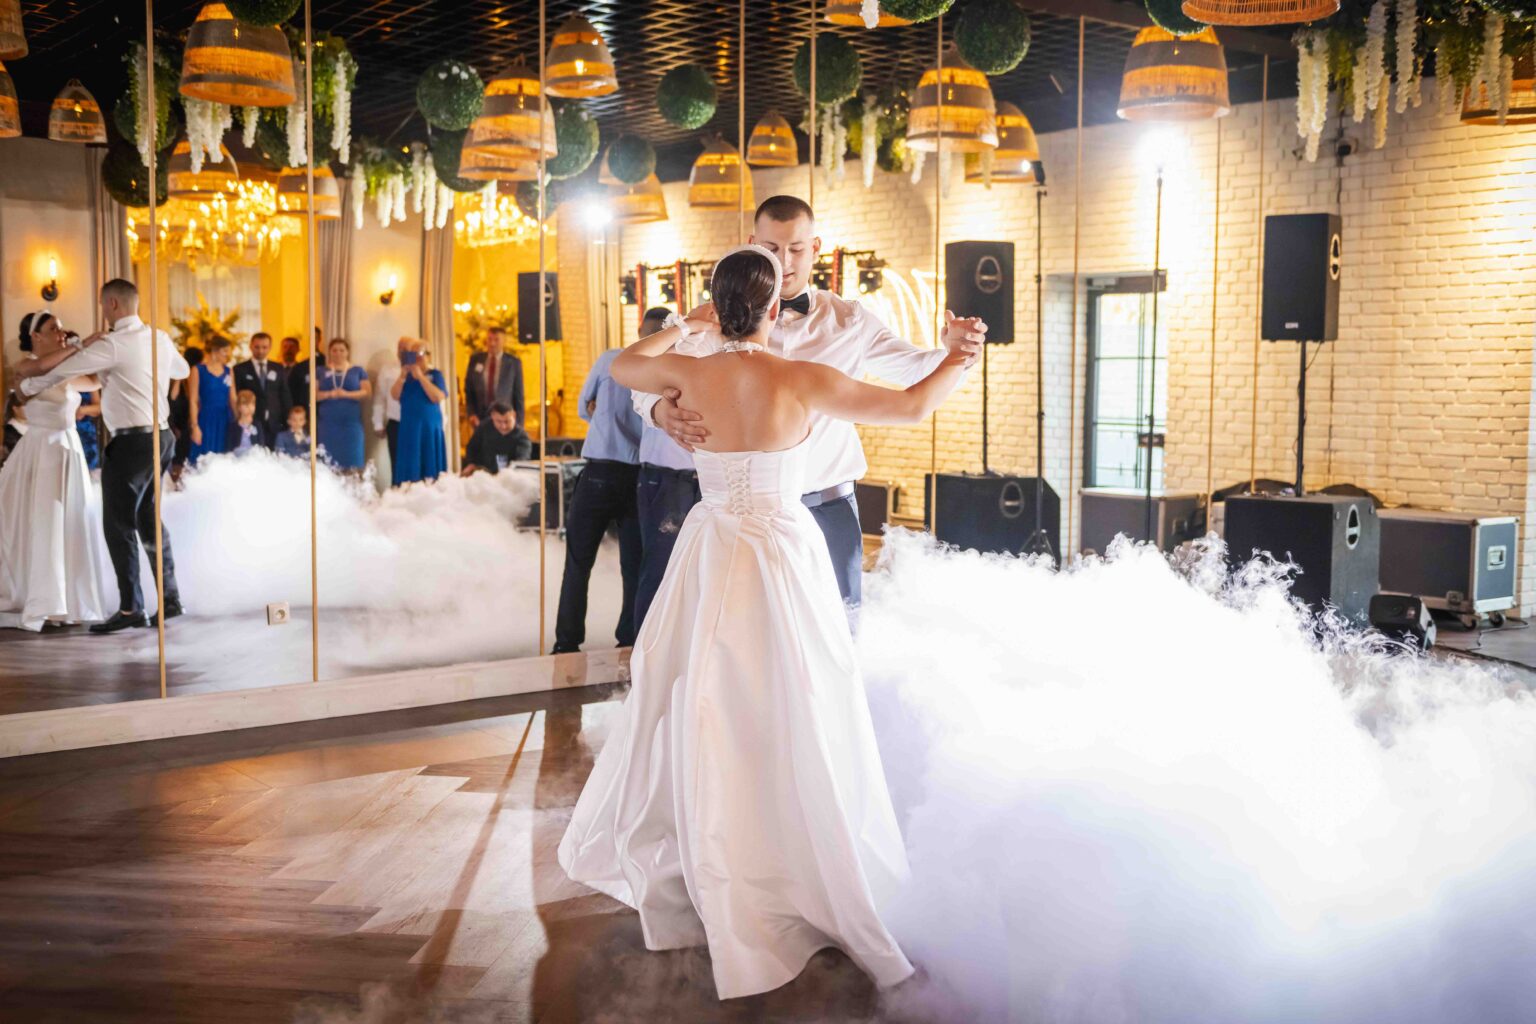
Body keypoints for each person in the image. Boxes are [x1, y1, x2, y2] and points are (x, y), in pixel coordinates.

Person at [558, 245, 970, 1000]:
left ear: (717, 306)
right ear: (775, 308)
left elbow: (623, 365)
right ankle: (799, 855)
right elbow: (914, 405)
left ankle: (717, 855)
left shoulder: (688, 372)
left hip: (713, 547)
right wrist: (958, 356)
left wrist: (685, 326)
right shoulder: (799, 377)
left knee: (706, 702)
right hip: (782, 551)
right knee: (799, 702)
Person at [634, 195, 985, 615]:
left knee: (839, 625)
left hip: (829, 505)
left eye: (796, 249)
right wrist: (660, 412)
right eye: (772, 248)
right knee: (747, 628)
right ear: (752, 244)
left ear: (815, 248)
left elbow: (915, 372)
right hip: (742, 515)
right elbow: (643, 383)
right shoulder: (713, 321)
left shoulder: (850, 320)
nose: (784, 262)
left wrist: (956, 354)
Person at [16, 278, 188, 633]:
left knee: (119, 526)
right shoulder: (158, 338)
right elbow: (181, 371)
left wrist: (29, 387)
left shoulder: (112, 344)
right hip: (162, 437)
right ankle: (170, 600)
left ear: (112, 305)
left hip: (132, 444)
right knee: (149, 520)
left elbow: (62, 372)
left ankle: (131, 609)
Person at [0, 311, 110, 630]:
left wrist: (101, 349)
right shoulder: (25, 367)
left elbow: (95, 381)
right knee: (45, 523)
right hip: (42, 452)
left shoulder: (65, 368)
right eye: (54, 329)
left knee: (69, 523)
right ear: (36, 336)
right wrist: (80, 345)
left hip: (68, 449)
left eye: (62, 329)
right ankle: (43, 601)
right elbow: (34, 373)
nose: (62, 334)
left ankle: (65, 601)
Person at [550, 341, 644, 654]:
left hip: (599, 471)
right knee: (633, 566)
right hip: (636, 474)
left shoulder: (610, 360)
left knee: (578, 562)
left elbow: (582, 407)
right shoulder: (663, 366)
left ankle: (567, 642)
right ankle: (628, 639)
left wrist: (603, 420)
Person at [630, 307, 700, 631]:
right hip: (664, 477)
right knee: (659, 567)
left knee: (697, 570)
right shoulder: (646, 368)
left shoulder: (695, 360)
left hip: (702, 479)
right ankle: (643, 652)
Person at [390, 343, 448, 486]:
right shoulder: (406, 377)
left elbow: (437, 397)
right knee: (411, 460)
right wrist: (402, 376)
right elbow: (395, 395)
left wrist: (421, 377)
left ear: (428, 356)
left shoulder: (435, 374)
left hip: (429, 426)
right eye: (413, 354)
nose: (417, 357)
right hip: (410, 426)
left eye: (420, 353)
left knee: (429, 458)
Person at [315, 337, 369, 472]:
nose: (338, 353)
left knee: (352, 463)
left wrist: (346, 394)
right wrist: (329, 394)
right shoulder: (320, 371)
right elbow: (313, 395)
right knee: (327, 463)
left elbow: (367, 392)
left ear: (347, 352)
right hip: (328, 425)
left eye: (341, 350)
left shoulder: (358, 371)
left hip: (350, 424)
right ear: (329, 352)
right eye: (334, 350)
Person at [233, 331, 292, 448]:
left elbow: (285, 395)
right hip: (251, 421)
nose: (260, 351)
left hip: (275, 422)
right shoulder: (239, 369)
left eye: (264, 347)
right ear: (251, 346)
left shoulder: (278, 368)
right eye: (257, 347)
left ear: (270, 347)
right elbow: (236, 396)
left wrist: (288, 419)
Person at [187, 335, 235, 465]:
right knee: (203, 456)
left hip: (225, 419)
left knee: (224, 457)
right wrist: (195, 426)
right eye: (225, 351)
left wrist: (238, 423)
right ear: (215, 350)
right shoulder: (198, 370)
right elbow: (193, 400)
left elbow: (233, 399)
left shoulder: (228, 371)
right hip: (205, 419)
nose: (228, 355)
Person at [464, 327, 524, 430]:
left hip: (504, 420)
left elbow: (518, 396)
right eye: (490, 339)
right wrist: (471, 413)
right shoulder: (475, 360)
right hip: (480, 419)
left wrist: (519, 425)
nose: (492, 343)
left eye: (496, 340)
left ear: (504, 341)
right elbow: (469, 390)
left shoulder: (513, 363)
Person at [461, 401, 531, 475]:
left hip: (510, 476)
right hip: (483, 474)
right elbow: (472, 448)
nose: (503, 426)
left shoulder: (522, 437)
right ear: (492, 416)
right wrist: (471, 463)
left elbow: (521, 461)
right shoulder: (484, 428)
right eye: (499, 421)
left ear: (514, 415)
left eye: (507, 421)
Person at [373, 336, 412, 468]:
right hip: (396, 423)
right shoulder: (387, 369)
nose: (402, 351)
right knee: (397, 465)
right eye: (400, 348)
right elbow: (379, 397)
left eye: (406, 348)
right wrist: (378, 423)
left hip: (417, 423)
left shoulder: (424, 369)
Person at [168, 346, 202, 484]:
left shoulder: (196, 379)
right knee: (179, 457)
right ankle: (177, 481)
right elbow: (173, 397)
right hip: (179, 423)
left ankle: (181, 481)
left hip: (186, 422)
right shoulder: (180, 379)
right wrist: (179, 377)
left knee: (184, 456)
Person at [228, 390, 261, 455]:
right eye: (245, 404)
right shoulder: (233, 426)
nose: (249, 407)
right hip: (236, 457)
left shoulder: (257, 425)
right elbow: (229, 446)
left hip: (253, 456)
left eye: (252, 404)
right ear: (239, 407)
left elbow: (261, 443)